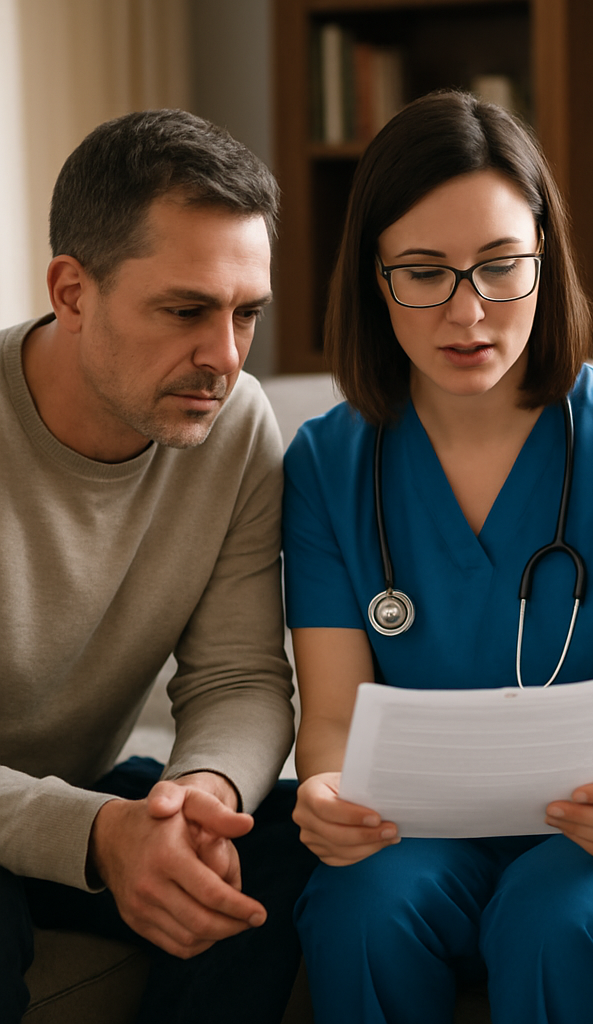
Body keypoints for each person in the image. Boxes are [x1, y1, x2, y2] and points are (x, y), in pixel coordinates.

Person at [282, 90, 593, 1024]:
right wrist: (328, 792)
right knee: (358, 909)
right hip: (425, 827)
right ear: (372, 279)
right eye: (424, 273)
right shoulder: (325, 465)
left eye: (502, 267)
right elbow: (331, 721)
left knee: (556, 918)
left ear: (545, 261)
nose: (470, 313)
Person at [0, 109, 315, 1024]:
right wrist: (100, 835)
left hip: (76, 795)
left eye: (245, 314)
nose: (223, 358)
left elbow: (241, 676)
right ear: (71, 292)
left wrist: (196, 802)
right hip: (58, 811)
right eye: (185, 310)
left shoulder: (235, 426)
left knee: (283, 847)